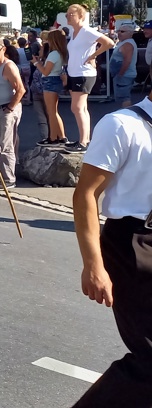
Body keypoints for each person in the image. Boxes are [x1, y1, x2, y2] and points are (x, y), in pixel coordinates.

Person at [70, 87, 152, 406]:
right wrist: (94, 265)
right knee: (149, 358)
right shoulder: (122, 124)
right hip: (132, 244)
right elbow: (86, 195)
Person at [64, 4, 116, 154]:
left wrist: (93, 56)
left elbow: (109, 43)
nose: (68, 17)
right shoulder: (74, 33)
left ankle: (84, 141)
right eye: (67, 14)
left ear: (81, 16)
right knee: (81, 108)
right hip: (74, 72)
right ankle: (84, 139)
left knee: (78, 108)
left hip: (84, 73)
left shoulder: (87, 31)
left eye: (71, 14)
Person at [0, 42, 26, 190]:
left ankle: (9, 179)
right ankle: (0, 174)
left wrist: (10, 108)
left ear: (4, 50)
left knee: (6, 144)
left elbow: (21, 89)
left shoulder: (8, 66)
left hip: (6, 110)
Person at [32, 29, 69, 146]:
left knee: (51, 112)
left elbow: (46, 71)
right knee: (54, 111)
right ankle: (61, 136)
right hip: (54, 80)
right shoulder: (60, 53)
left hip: (50, 81)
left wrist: (35, 63)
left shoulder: (53, 54)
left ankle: (53, 138)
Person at [109, 23, 138, 107]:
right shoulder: (123, 42)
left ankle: (126, 115)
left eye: (122, 31)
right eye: (118, 31)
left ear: (130, 33)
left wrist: (120, 74)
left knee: (124, 98)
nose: (119, 33)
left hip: (124, 75)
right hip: (122, 75)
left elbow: (127, 61)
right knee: (122, 97)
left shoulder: (128, 44)